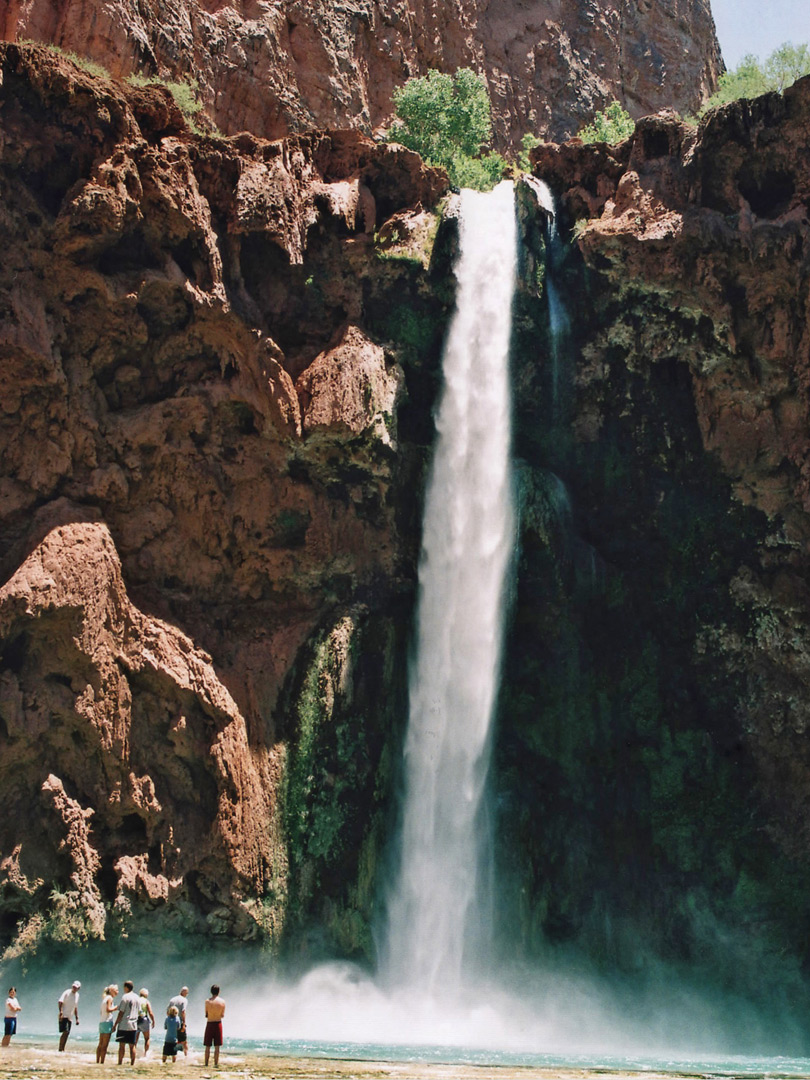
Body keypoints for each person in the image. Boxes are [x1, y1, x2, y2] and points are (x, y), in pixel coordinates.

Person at [113, 980, 140, 1066]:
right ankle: (132, 1064)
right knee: (132, 1046)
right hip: (133, 1025)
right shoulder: (137, 997)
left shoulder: (125, 997)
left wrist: (115, 1024)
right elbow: (139, 1011)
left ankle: (120, 1063)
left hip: (124, 1024)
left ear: (126, 987)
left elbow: (121, 1012)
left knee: (122, 1046)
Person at [203, 984, 226, 1067]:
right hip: (218, 1023)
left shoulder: (207, 1001)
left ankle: (206, 1063)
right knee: (217, 1046)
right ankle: (216, 1063)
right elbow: (222, 1015)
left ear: (211, 992)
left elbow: (206, 1014)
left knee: (207, 1046)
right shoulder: (222, 1002)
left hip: (210, 1023)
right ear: (219, 992)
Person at [96, 984, 118, 1063]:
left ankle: (97, 1061)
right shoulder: (110, 998)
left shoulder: (104, 998)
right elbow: (108, 1009)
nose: (117, 992)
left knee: (100, 1044)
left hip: (102, 1022)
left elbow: (101, 1011)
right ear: (112, 991)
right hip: (107, 1022)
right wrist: (116, 1008)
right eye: (116, 990)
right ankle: (102, 1062)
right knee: (105, 1045)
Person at [58, 980, 81, 1051]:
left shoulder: (77, 995)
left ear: (78, 988)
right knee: (65, 1032)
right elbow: (60, 1002)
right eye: (73, 987)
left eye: (76, 987)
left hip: (70, 1017)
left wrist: (77, 1018)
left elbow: (75, 1007)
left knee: (67, 1033)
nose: (74, 988)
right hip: (64, 1015)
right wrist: (61, 1012)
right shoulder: (67, 992)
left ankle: (62, 1048)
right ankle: (60, 1048)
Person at [167, 987, 188, 1057]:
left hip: (172, 1022)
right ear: (184, 992)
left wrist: (170, 1020)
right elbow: (183, 1012)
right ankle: (185, 1056)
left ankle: (173, 1055)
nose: (187, 994)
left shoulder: (172, 999)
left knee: (173, 1040)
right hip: (180, 1021)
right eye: (187, 993)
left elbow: (167, 1011)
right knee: (184, 1041)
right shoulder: (184, 1000)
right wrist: (184, 1024)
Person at [136, 988, 155, 1056]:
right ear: (146, 995)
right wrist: (153, 1020)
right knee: (147, 1038)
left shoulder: (136, 1000)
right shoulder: (146, 1001)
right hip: (144, 1019)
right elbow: (150, 1012)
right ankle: (145, 1054)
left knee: (135, 1039)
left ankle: (133, 1053)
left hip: (136, 1020)